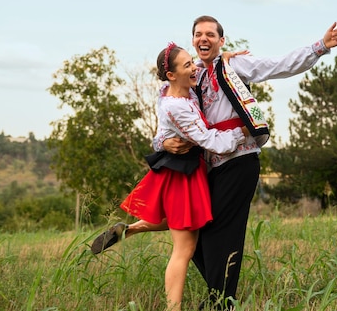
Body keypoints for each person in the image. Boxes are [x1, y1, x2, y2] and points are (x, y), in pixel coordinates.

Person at [158, 16, 337, 309]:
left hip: (239, 160)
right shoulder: (195, 76)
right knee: (198, 237)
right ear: (193, 40)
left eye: (210, 34)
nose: (203, 38)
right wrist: (163, 142)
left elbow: (277, 65)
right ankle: (221, 296)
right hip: (210, 166)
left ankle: (221, 303)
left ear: (221, 41)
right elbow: (171, 112)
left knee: (222, 236)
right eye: (198, 34)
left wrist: (319, 47)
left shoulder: (233, 66)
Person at [91, 43, 248, 311]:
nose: (194, 67)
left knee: (181, 223)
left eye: (192, 62)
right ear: (171, 75)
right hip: (182, 175)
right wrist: (244, 132)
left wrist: (225, 60)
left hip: (187, 170)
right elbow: (210, 140)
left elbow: (164, 130)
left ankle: (129, 229)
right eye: (187, 65)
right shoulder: (177, 106)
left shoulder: (176, 92)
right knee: (184, 249)